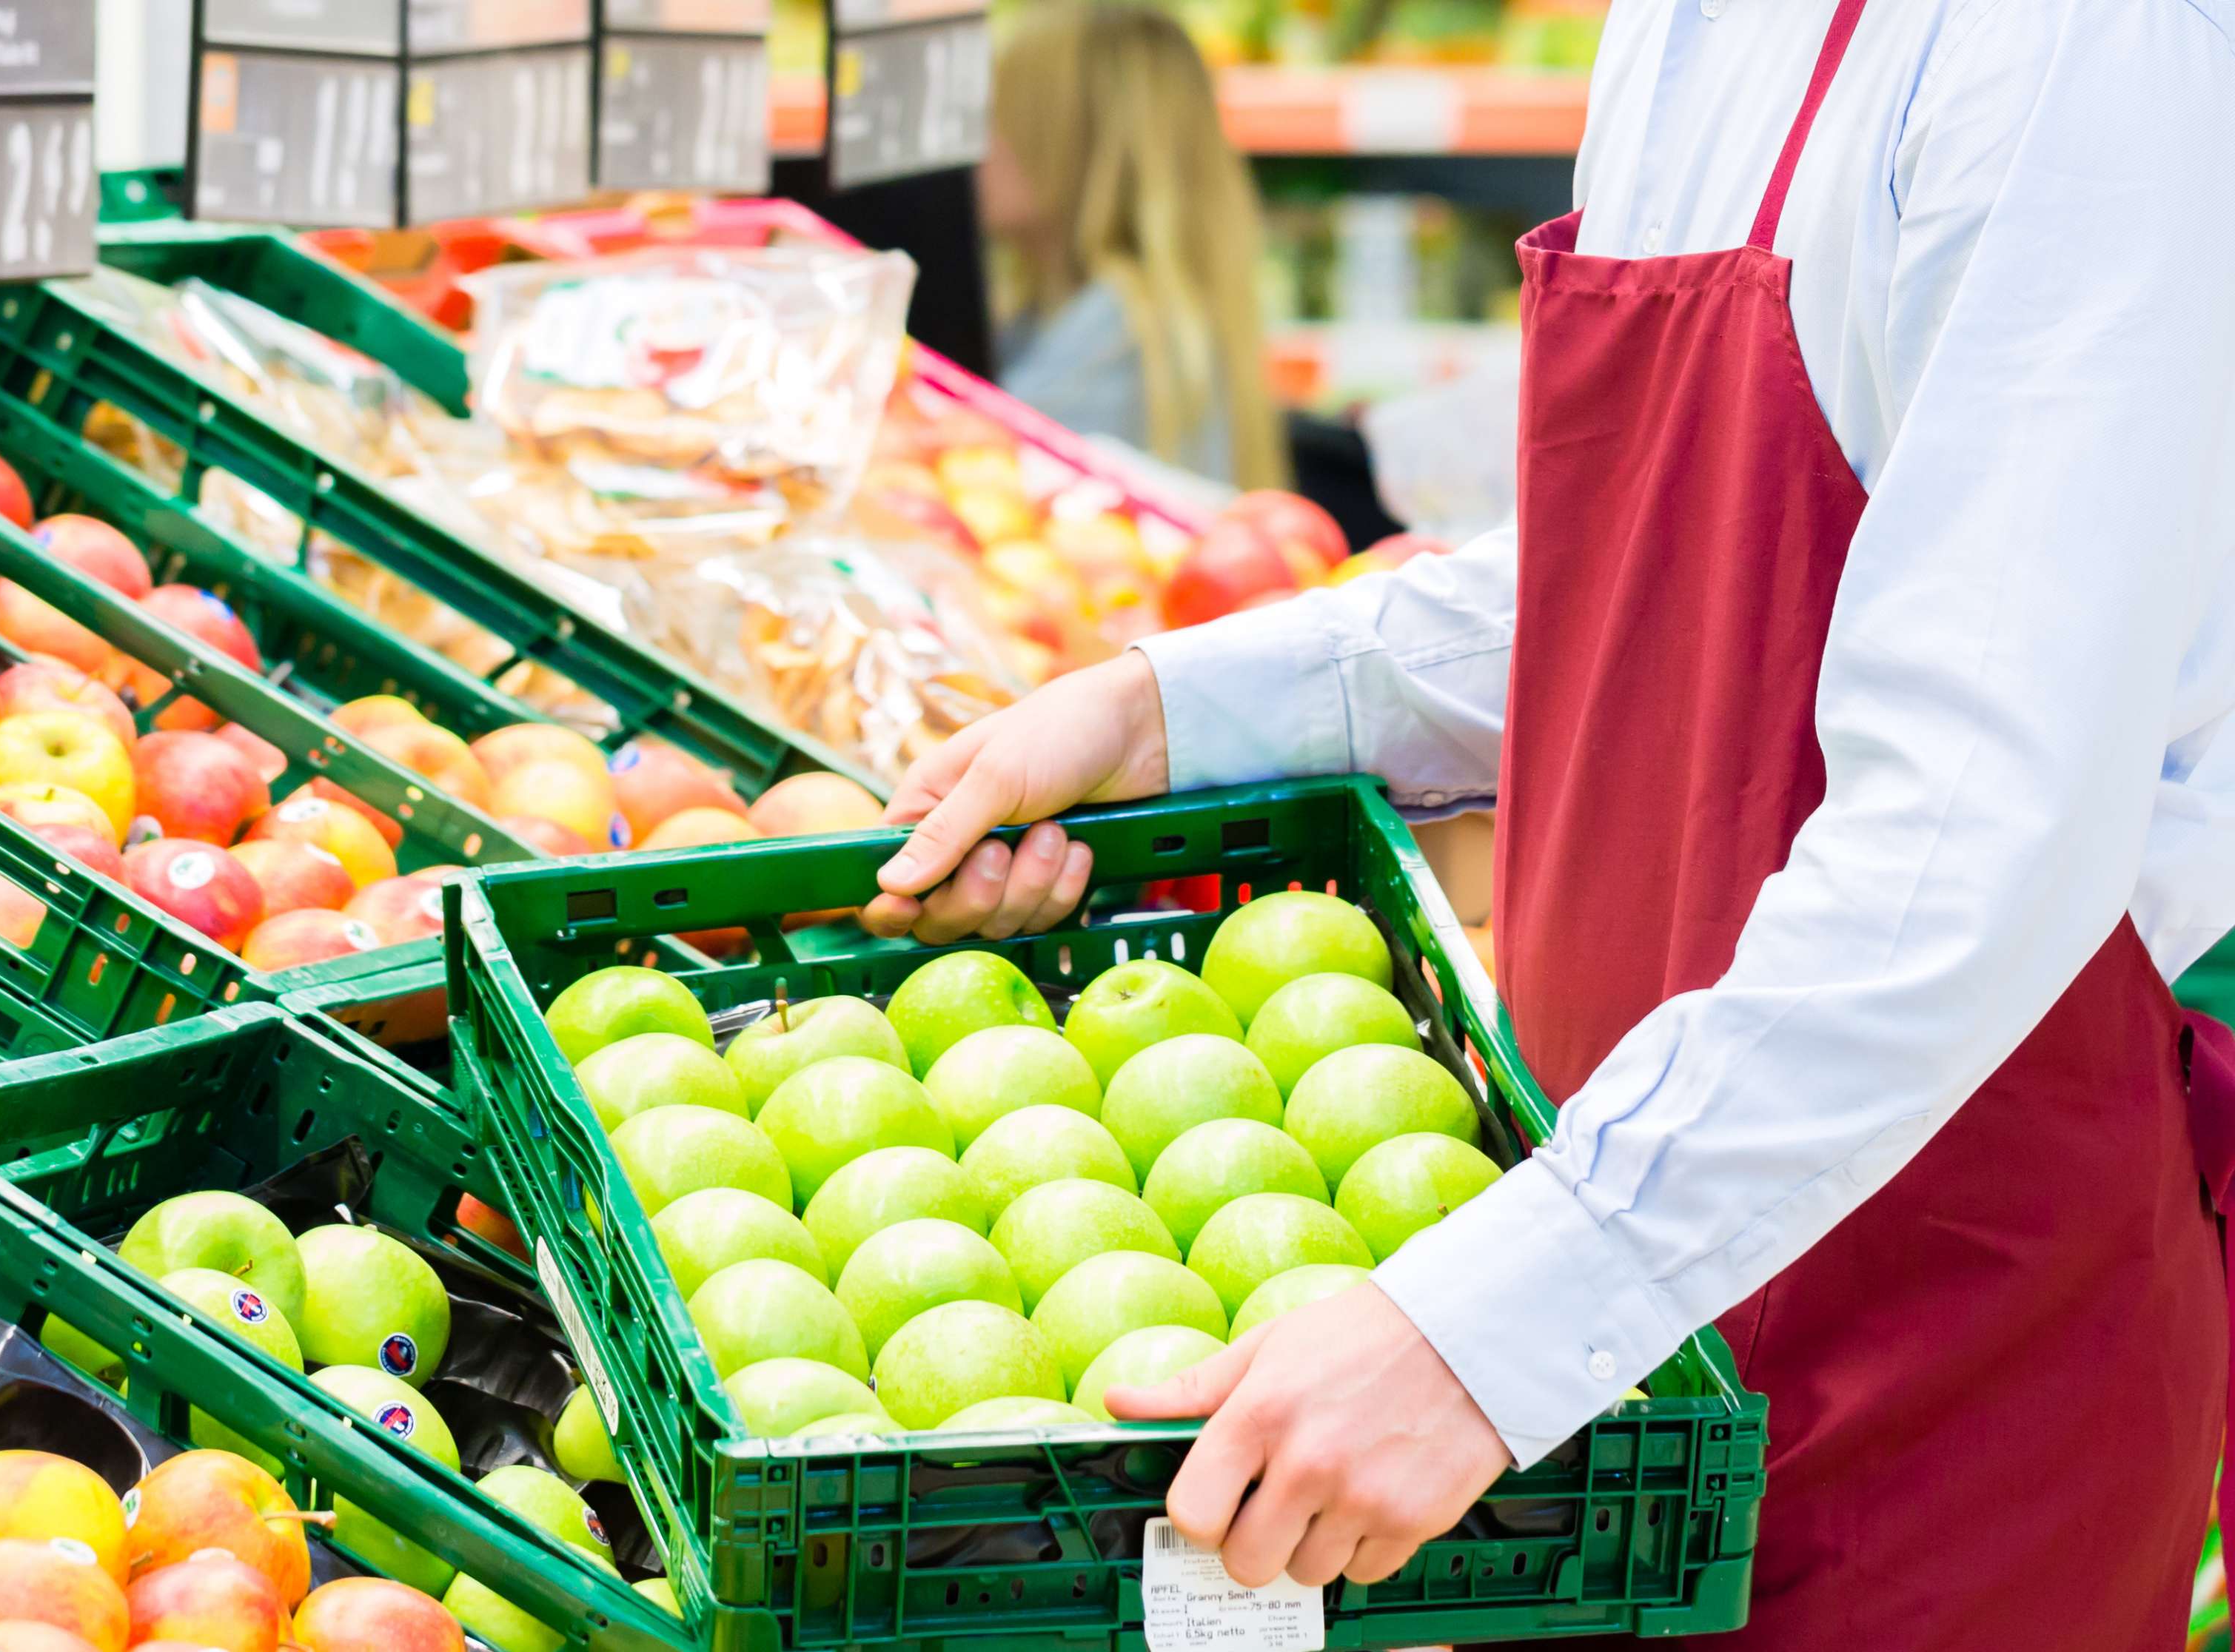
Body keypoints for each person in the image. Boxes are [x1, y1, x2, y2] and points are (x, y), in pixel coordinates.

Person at [866, 1, 2235, 1644]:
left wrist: (1493, 1325)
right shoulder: (1678, 25)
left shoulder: (2078, 49)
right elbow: (1659, 572)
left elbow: (1979, 833)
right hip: (1608, 1304)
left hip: (1929, 1330)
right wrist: (1159, 711)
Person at [977, 3, 1287, 491]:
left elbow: (981, 474)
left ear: (1063, 138)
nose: (974, 146)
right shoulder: (1118, 311)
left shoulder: (1120, 328)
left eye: (995, 115)